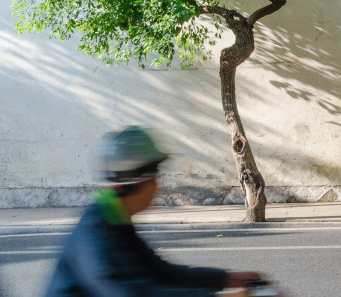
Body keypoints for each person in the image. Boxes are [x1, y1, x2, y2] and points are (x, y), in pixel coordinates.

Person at [45, 126, 265, 296]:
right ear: (139, 181)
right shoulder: (97, 234)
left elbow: (162, 273)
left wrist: (227, 279)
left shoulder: (114, 220)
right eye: (155, 178)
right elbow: (136, 294)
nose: (159, 186)